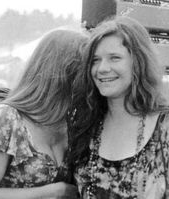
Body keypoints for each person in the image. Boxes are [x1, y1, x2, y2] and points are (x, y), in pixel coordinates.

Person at [0, 28, 88, 199]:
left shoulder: (73, 121)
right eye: (85, 73)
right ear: (64, 74)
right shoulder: (8, 119)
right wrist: (55, 192)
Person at [69, 16, 169, 199]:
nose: (102, 68)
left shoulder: (164, 126)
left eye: (114, 58)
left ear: (139, 63)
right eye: (95, 60)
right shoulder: (85, 124)